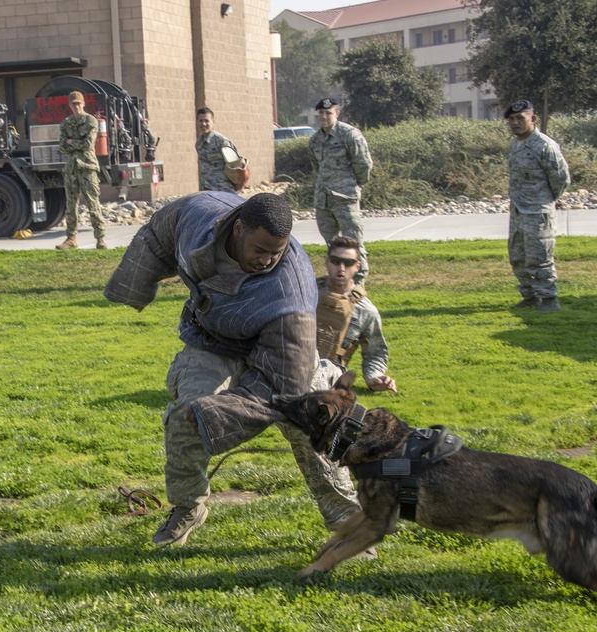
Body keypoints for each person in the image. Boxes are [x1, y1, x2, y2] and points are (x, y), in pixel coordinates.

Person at [105, 192, 361, 547]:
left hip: (285, 360)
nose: (267, 260)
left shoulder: (292, 294)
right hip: (212, 340)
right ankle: (188, 507)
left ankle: (351, 526)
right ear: (238, 228)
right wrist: (134, 285)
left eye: (276, 252)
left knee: (311, 423)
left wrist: (221, 412)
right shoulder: (198, 218)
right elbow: (160, 232)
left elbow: (283, 388)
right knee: (185, 415)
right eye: (260, 249)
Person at [504, 99, 571, 313]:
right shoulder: (516, 145)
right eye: (511, 119)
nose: (515, 123)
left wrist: (548, 199)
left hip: (538, 212)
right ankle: (530, 296)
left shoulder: (544, 145)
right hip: (518, 211)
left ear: (532, 119)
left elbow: (561, 178)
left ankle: (549, 300)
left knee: (540, 257)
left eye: (520, 118)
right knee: (518, 257)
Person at [316, 236, 396, 393]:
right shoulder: (304, 292)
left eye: (348, 263)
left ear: (357, 266)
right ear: (327, 261)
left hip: (329, 370)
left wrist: (374, 377)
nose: (341, 267)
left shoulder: (366, 311)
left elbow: (376, 353)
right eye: (335, 261)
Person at [309, 98, 373, 286]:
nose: (324, 116)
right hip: (324, 200)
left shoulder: (349, 135)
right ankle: (338, 283)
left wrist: (353, 186)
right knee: (332, 245)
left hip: (345, 198)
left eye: (328, 113)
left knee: (353, 243)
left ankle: (358, 284)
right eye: (320, 113)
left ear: (337, 113)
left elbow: (364, 165)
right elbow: (316, 167)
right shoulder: (315, 140)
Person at [56, 91, 106, 250]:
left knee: (93, 203)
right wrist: (75, 143)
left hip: (87, 167)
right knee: (71, 204)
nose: (77, 107)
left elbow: (88, 144)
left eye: (79, 103)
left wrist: (72, 142)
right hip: (71, 169)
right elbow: (62, 147)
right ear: (70, 106)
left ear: (83, 104)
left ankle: (100, 238)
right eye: (73, 104)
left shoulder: (90, 121)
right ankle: (71, 238)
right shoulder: (66, 123)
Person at [195, 107, 239, 193]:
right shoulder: (199, 143)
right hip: (206, 190)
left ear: (213, 122)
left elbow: (237, 166)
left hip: (223, 190)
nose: (203, 124)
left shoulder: (221, 141)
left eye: (207, 121)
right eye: (201, 121)